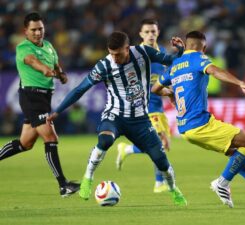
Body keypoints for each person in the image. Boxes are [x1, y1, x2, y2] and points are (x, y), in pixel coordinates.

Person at [47, 31, 187, 206]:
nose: (114, 58)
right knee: (105, 140)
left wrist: (180, 50)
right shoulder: (104, 65)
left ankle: (174, 190)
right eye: (111, 53)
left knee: (161, 160)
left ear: (127, 49)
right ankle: (87, 179)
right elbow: (79, 89)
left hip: (140, 120)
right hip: (115, 116)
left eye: (118, 54)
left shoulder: (144, 53)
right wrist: (58, 110)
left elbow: (170, 60)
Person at [152, 31, 245, 208]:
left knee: (236, 154)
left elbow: (155, 88)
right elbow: (214, 71)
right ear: (203, 47)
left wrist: (169, 93)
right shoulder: (198, 59)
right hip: (200, 124)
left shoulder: (175, 65)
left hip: (185, 128)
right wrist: (240, 83)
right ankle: (222, 183)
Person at [0, 12, 80, 197]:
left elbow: (55, 63)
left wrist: (61, 73)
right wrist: (44, 69)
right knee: (51, 138)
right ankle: (63, 185)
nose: (37, 33)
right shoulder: (23, 47)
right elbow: (32, 61)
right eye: (33, 29)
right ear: (25, 31)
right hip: (31, 97)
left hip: (44, 98)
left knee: (25, 143)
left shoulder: (49, 46)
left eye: (40, 29)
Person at [116, 19, 171, 193]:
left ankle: (128, 149)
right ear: (140, 34)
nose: (150, 35)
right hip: (144, 106)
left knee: (162, 144)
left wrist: (169, 91)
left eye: (153, 31)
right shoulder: (135, 53)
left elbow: (162, 78)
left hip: (158, 105)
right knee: (159, 143)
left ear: (158, 32)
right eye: (147, 32)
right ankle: (159, 183)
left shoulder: (162, 52)